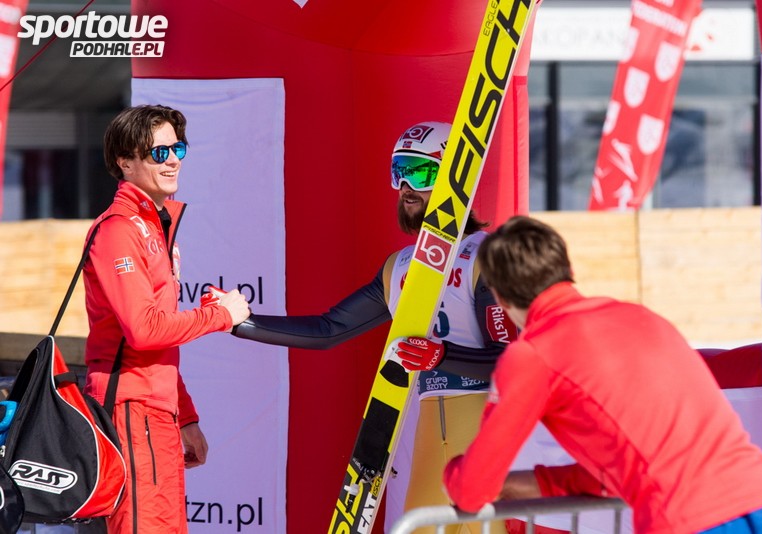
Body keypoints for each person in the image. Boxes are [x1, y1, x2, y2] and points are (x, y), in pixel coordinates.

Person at [232, 121, 514, 533]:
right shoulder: (399, 266)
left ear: (456, 177)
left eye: (419, 172)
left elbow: (511, 360)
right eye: (399, 172)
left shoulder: (487, 255)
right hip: (430, 431)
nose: (405, 187)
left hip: (483, 425)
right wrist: (239, 322)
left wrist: (442, 355)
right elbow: (330, 329)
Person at [443, 215, 762, 533]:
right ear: (566, 269)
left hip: (688, 517)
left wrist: (453, 474)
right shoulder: (641, 318)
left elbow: (473, 489)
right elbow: (640, 459)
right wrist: (540, 482)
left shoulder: (532, 353)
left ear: (500, 297)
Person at [82, 104, 251, 534]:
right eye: (159, 152)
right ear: (125, 162)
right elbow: (145, 330)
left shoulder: (153, 227)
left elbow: (159, 345)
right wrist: (220, 314)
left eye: (178, 149)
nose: (173, 160)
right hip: (130, 411)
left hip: (155, 413)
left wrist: (186, 418)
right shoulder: (119, 229)